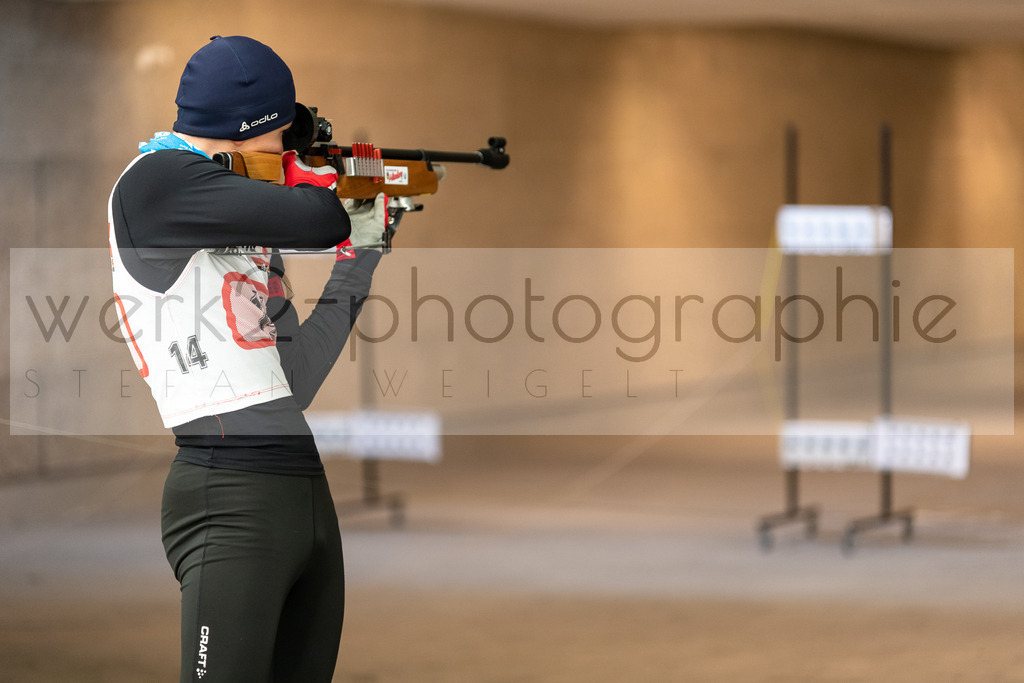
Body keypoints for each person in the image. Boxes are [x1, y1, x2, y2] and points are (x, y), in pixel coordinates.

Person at [107, 35, 393, 682]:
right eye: (280, 140)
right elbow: (319, 217)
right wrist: (339, 187)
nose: (286, 152)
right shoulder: (154, 183)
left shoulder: (243, 235)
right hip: (227, 493)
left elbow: (296, 379)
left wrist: (364, 255)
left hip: (303, 491)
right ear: (247, 131)